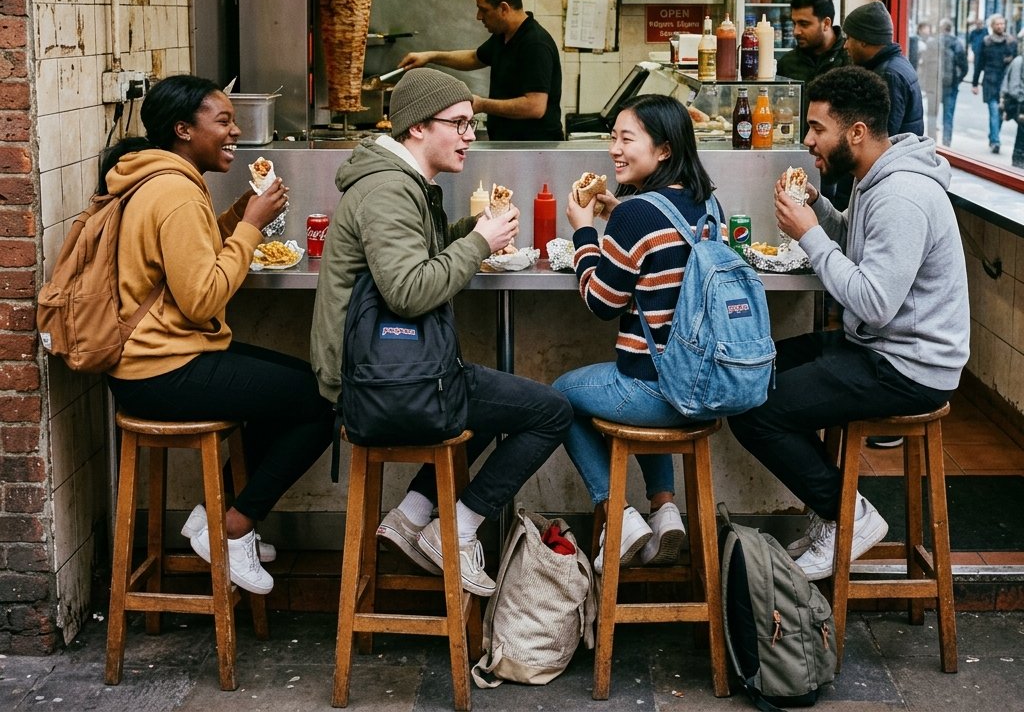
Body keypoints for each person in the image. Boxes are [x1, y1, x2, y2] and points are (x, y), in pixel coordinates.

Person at [309, 68, 572, 596]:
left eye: (472, 123)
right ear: (416, 129)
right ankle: (458, 529)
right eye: (460, 123)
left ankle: (411, 514)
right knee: (551, 411)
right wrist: (478, 244)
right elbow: (408, 289)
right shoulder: (387, 190)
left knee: (482, 398)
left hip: (396, 374)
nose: (471, 136)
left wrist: (470, 232)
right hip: (377, 387)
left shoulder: (403, 183)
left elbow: (412, 257)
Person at [729, 66, 968, 581]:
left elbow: (875, 300)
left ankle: (848, 515)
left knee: (755, 409)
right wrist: (824, 211)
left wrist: (811, 234)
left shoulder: (901, 195)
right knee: (753, 372)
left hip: (908, 368)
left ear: (856, 133)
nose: (808, 140)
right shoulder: (871, 179)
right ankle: (836, 513)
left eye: (817, 129)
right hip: (878, 347)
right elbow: (864, 251)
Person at [102, 75, 336, 595]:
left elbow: (184, 265)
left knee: (304, 385)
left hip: (160, 361)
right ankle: (232, 528)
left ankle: (212, 517)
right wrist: (251, 227)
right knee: (322, 401)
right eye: (224, 122)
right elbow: (203, 297)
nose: (235, 133)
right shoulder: (176, 193)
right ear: (183, 129)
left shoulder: (163, 179)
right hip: (163, 370)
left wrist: (236, 216)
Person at [552, 94, 720, 573]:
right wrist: (614, 214)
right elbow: (658, 266)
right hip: (700, 385)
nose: (614, 149)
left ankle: (620, 516)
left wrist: (584, 230)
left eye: (627, 139)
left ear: (663, 150)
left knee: (558, 398)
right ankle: (666, 511)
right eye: (613, 137)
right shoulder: (709, 205)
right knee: (655, 368)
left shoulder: (635, 215)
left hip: (655, 393)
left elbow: (602, 303)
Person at [399, 0, 564, 141]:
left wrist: (482, 104)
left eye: (484, 10)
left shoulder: (535, 43)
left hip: (535, 150)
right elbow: (474, 58)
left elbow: (534, 107)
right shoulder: (503, 36)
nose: (479, 17)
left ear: (504, 8)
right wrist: (429, 57)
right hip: (509, 144)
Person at [842, 0, 924, 136]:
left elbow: (882, 136)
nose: (845, 45)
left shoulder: (888, 75)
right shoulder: (896, 64)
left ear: (863, 40)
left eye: (849, 38)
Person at [777, 0, 851, 137]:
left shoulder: (848, 60)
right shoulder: (788, 63)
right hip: (796, 149)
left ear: (826, 23)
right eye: (794, 23)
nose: (796, 31)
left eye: (804, 24)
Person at [971, 13, 1015, 154]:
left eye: (1002, 24)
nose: (1000, 26)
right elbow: (979, 63)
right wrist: (975, 83)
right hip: (990, 81)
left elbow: (1014, 62)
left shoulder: (1010, 42)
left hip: (1004, 82)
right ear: (992, 26)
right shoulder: (986, 42)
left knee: (1000, 111)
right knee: (994, 110)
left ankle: (993, 136)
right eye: (998, 24)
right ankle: (996, 141)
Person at [936, 18, 968, 147]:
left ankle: (931, 139)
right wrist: (957, 80)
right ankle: (946, 142)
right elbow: (964, 67)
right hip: (951, 85)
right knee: (948, 115)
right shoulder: (957, 44)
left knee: (932, 114)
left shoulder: (935, 42)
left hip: (937, 84)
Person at [914, 21, 942, 139]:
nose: (927, 31)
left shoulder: (928, 44)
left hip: (930, 83)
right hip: (927, 83)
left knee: (931, 112)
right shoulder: (921, 43)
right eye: (925, 28)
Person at [1000, 38, 1024, 169]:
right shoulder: (1019, 61)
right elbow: (1014, 88)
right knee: (1021, 136)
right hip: (1021, 106)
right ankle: (1017, 163)